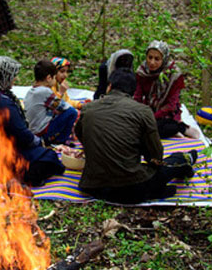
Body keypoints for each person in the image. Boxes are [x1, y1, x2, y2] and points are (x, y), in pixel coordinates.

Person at [75, 69, 197, 204]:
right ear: (133, 92)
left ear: (109, 86)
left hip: (93, 188)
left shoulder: (88, 108)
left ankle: (159, 187)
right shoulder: (143, 111)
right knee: (175, 160)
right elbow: (156, 156)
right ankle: (188, 159)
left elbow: (81, 135)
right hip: (133, 187)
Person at [0, 56, 64, 187]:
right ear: (4, 77)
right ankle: (18, 178)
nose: (15, 79)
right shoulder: (1, 102)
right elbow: (22, 135)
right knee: (49, 157)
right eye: (12, 76)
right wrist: (40, 143)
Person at [134, 41, 200, 139]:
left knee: (153, 129)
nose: (152, 62)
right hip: (148, 110)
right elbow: (137, 97)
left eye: (157, 59)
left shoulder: (173, 75)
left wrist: (152, 118)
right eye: (150, 57)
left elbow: (171, 105)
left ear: (164, 59)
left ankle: (180, 128)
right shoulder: (142, 72)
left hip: (166, 115)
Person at [25, 59, 79, 145]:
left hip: (32, 129)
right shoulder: (46, 91)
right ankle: (61, 140)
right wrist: (61, 93)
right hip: (41, 131)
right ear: (49, 78)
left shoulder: (31, 91)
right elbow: (64, 107)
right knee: (72, 112)